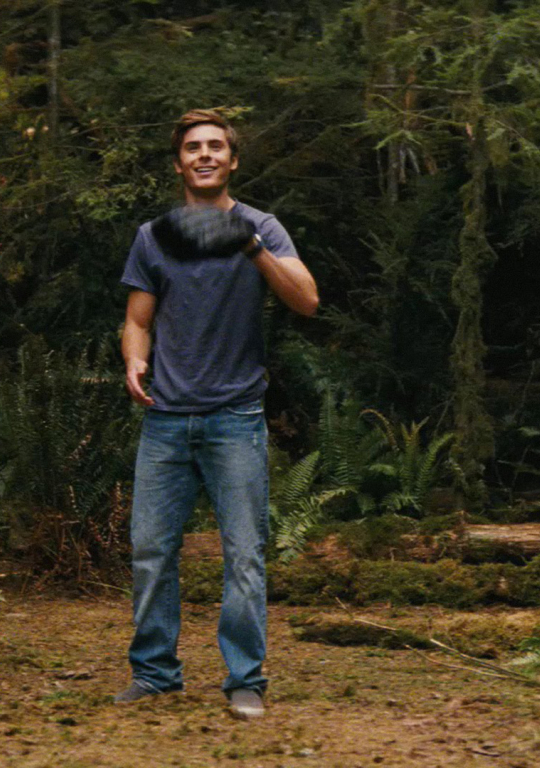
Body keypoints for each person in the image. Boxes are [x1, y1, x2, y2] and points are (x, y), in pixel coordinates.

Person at [114, 109, 319, 719]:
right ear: (179, 164)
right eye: (192, 148)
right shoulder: (154, 236)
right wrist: (133, 360)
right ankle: (155, 674)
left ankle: (245, 680)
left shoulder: (263, 227)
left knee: (244, 555)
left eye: (215, 146)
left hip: (236, 417)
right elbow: (137, 320)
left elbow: (306, 300)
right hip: (165, 419)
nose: (204, 154)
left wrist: (251, 247)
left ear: (232, 160)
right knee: (151, 552)